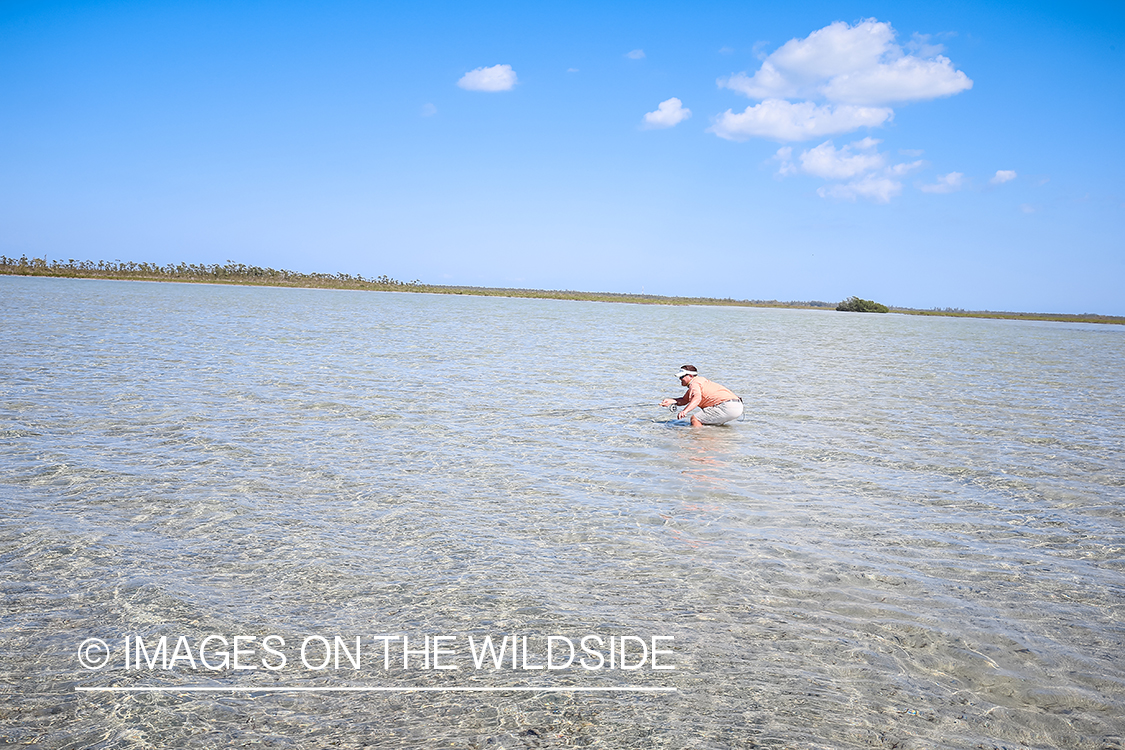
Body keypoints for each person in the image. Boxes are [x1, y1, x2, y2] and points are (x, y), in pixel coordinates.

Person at [660, 365, 743, 427]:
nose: (680, 379)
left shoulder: (694, 383)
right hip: (737, 406)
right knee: (710, 425)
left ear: (691, 376)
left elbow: (697, 398)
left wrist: (685, 411)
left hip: (726, 406)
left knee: (695, 419)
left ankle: (699, 441)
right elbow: (685, 400)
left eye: (682, 377)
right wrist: (671, 401)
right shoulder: (701, 381)